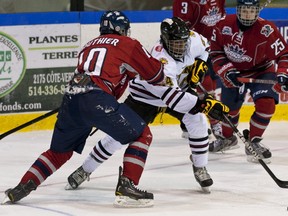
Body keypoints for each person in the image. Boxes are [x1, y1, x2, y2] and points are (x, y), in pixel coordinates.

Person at [3, 12, 229, 207]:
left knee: (59, 152)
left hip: (73, 98)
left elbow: (104, 80)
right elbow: (157, 77)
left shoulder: (87, 46)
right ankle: (127, 186)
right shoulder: (131, 45)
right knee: (141, 134)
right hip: (131, 97)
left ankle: (22, 187)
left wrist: (197, 66)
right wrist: (202, 101)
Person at [64, 17, 230, 199]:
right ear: (165, 41)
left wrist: (201, 63)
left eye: (183, 43)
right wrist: (204, 104)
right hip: (146, 97)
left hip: (177, 91)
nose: (181, 48)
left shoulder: (192, 39)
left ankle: (200, 167)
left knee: (197, 120)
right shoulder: (160, 59)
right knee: (117, 137)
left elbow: (206, 47)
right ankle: (85, 169)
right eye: (175, 44)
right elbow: (174, 100)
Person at [208, 0, 288, 163]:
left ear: (257, 11)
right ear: (237, 10)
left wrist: (282, 74)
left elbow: (283, 55)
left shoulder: (267, 30)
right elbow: (215, 52)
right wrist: (225, 71)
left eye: (251, 11)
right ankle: (228, 139)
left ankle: (253, 141)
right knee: (229, 110)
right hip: (233, 72)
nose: (247, 14)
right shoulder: (223, 25)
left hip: (262, 71)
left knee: (267, 105)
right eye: (244, 10)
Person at [173, 0, 227, 139]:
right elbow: (180, 27)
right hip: (194, 48)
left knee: (211, 84)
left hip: (214, 46)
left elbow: (221, 18)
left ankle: (188, 123)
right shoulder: (185, 2)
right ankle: (214, 124)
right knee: (202, 84)